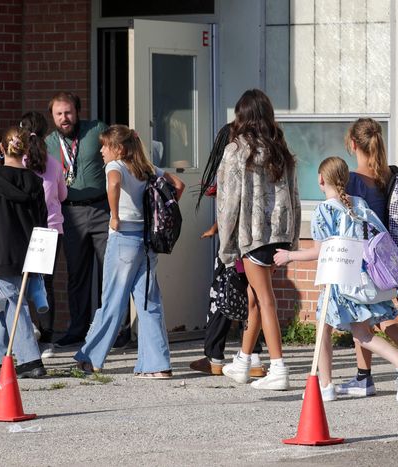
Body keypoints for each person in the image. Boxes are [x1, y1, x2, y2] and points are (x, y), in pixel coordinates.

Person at [273, 156, 398, 402]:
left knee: (328, 332)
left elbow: (319, 250)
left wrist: (290, 255)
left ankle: (328, 386)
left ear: (321, 180)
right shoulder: (359, 203)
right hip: (361, 279)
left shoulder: (324, 211)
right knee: (360, 334)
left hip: (338, 283)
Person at [74, 125, 184, 375]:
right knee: (149, 301)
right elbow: (178, 185)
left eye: (105, 145)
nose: (101, 150)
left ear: (119, 148)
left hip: (123, 237)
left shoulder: (116, 166)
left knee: (113, 300)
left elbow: (113, 185)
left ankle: (91, 358)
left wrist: (114, 215)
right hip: (146, 240)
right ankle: (158, 365)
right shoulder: (146, 167)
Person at [337, 117, 398, 397]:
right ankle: (372, 372)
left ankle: (387, 365)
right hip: (386, 257)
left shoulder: (353, 181)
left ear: (353, 144)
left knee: (360, 315)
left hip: (362, 259)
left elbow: (345, 217)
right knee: (374, 313)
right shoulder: (389, 176)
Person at [217, 89, 300, 391]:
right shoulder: (280, 148)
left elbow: (228, 204)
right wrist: (291, 240)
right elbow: (294, 196)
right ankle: (242, 361)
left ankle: (278, 368)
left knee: (264, 299)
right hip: (278, 235)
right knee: (255, 297)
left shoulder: (236, 150)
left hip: (251, 237)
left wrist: (225, 246)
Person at [189, 123, 267, 378]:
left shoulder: (232, 163)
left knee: (222, 297)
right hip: (256, 245)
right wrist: (215, 227)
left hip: (233, 246)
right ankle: (254, 358)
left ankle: (214, 356)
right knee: (251, 300)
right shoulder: (259, 165)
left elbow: (230, 209)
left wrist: (220, 233)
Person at [0, 126, 48, 379]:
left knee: (13, 304)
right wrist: (42, 257)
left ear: (2, 149)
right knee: (7, 303)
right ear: (26, 150)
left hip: (2, 251)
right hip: (30, 250)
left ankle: (30, 361)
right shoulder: (36, 182)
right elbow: (42, 221)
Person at [45, 92, 110, 348]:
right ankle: (78, 328)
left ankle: (115, 328)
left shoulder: (97, 130)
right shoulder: (48, 143)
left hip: (101, 209)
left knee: (110, 272)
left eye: (68, 112)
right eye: (59, 114)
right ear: (52, 116)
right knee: (77, 274)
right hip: (69, 214)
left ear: (77, 111)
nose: (64, 118)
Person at [19, 111, 67, 359]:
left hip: (24, 230)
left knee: (21, 282)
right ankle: (47, 340)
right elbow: (62, 196)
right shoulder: (55, 164)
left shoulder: (19, 163)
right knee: (45, 284)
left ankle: (29, 332)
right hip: (51, 230)